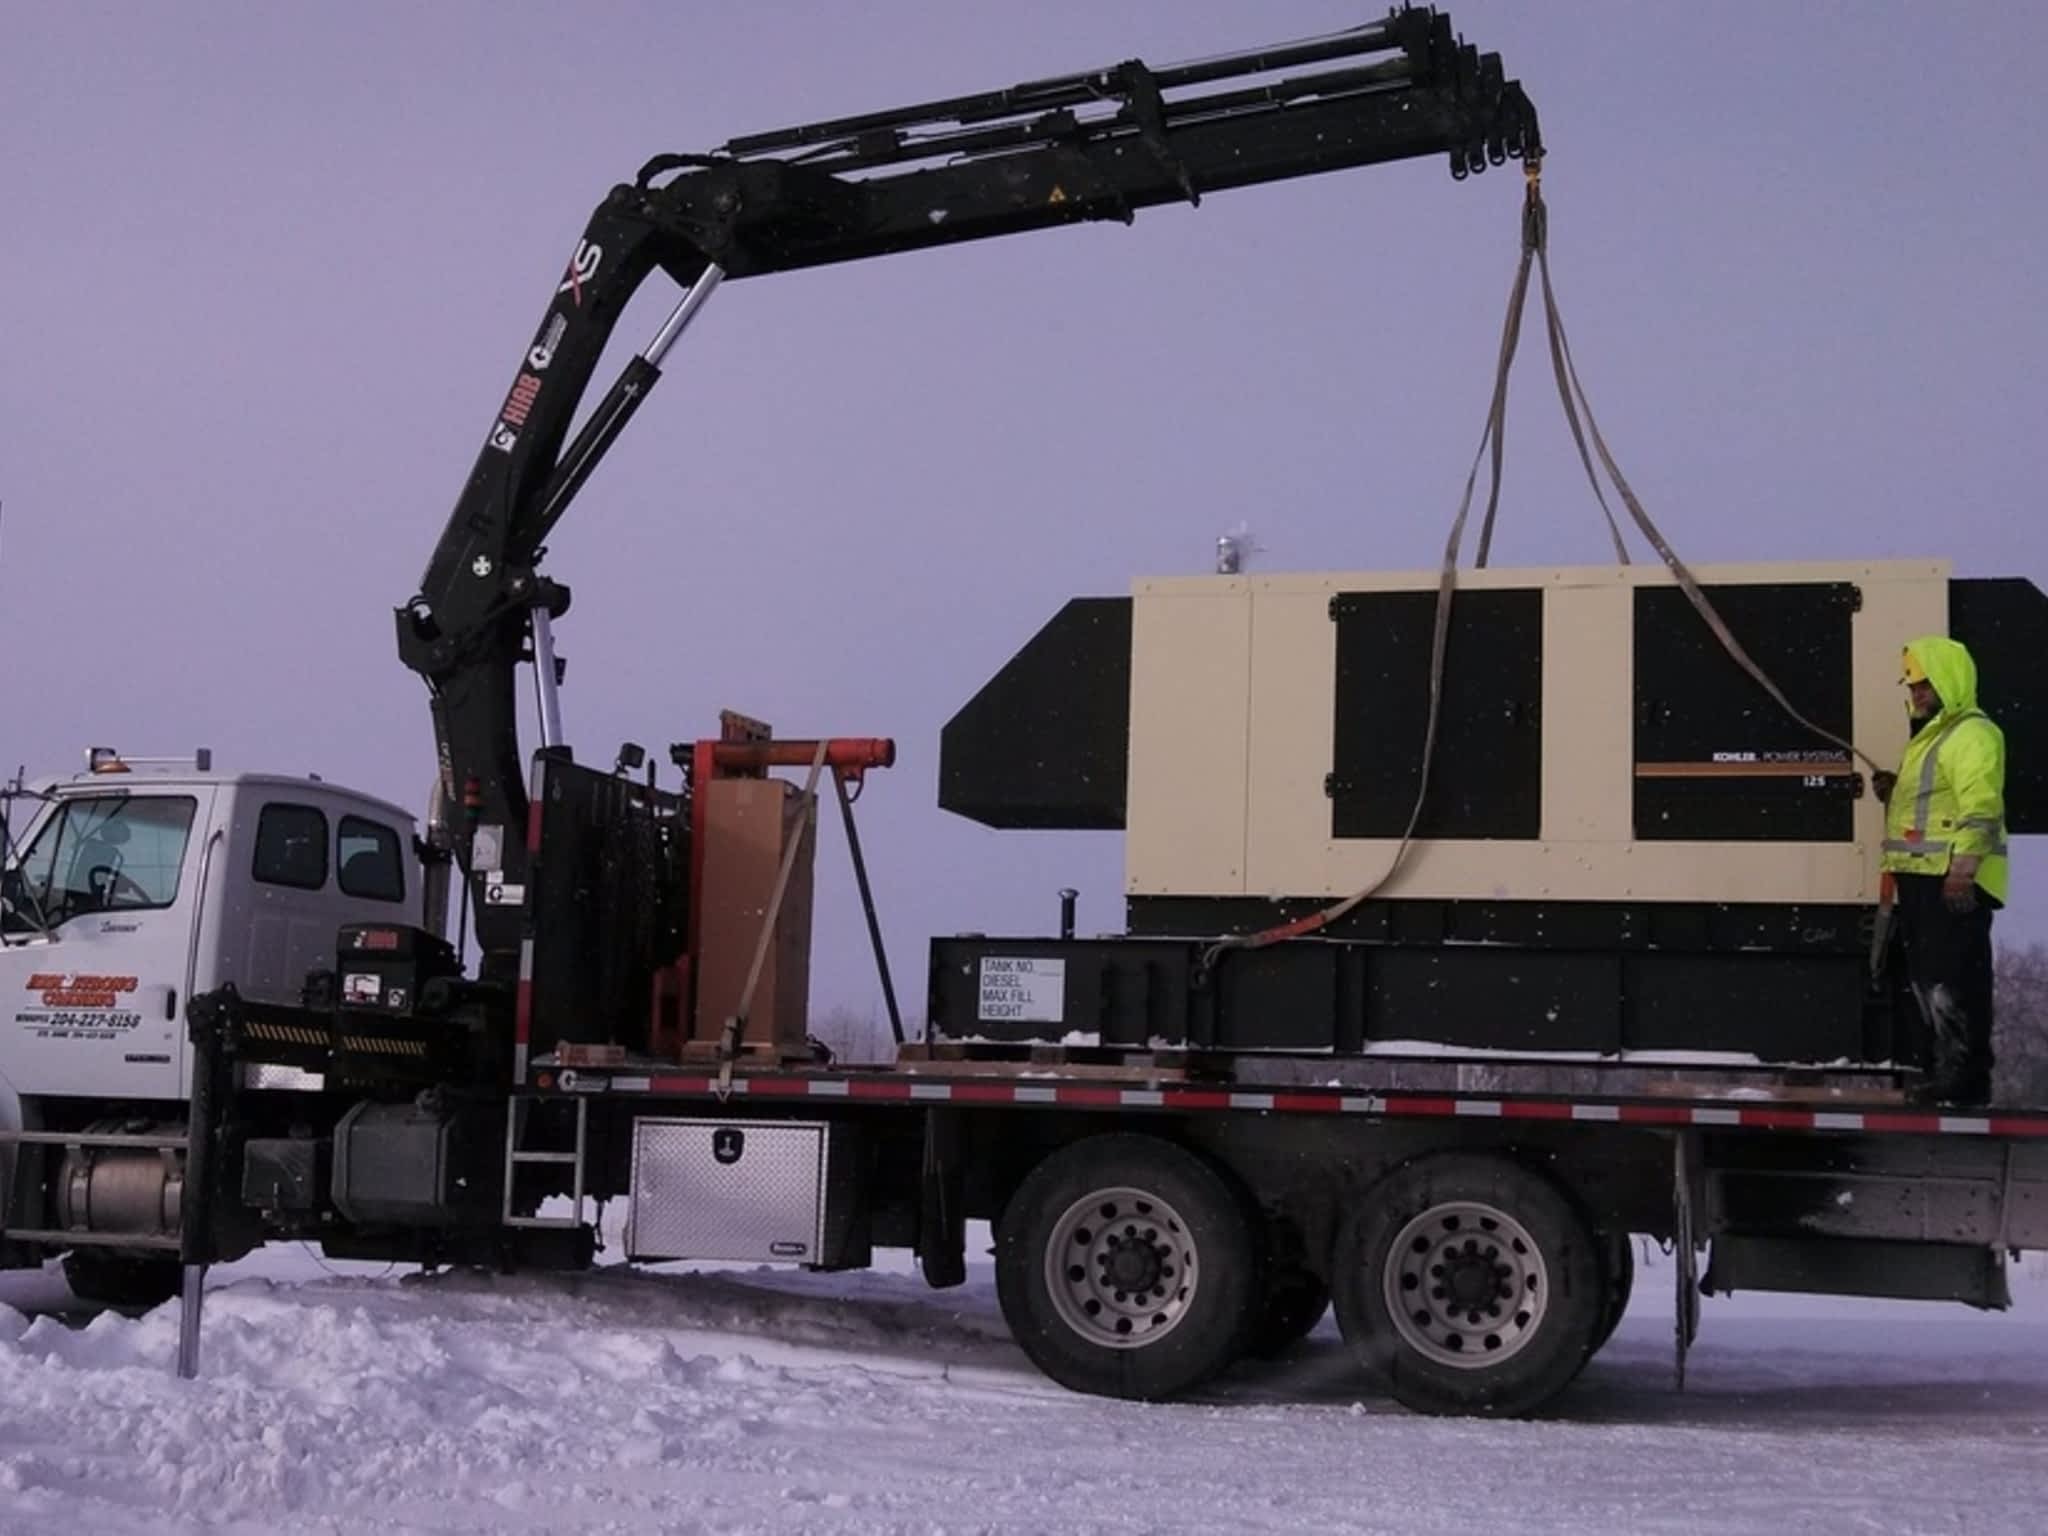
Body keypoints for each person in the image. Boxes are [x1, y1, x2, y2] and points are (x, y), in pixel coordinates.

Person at [1872, 636, 2008, 1105]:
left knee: (1954, 982)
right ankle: (1944, 1074)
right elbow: (1935, 806)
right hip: (1924, 880)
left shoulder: (1971, 734)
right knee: (1932, 981)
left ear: (1949, 680)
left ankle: (1964, 1078)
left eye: (1925, 684)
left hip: (1949, 881)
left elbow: (1982, 809)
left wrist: (1963, 871)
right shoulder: (1931, 738)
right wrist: (1895, 790)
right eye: (1913, 686)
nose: (1917, 694)